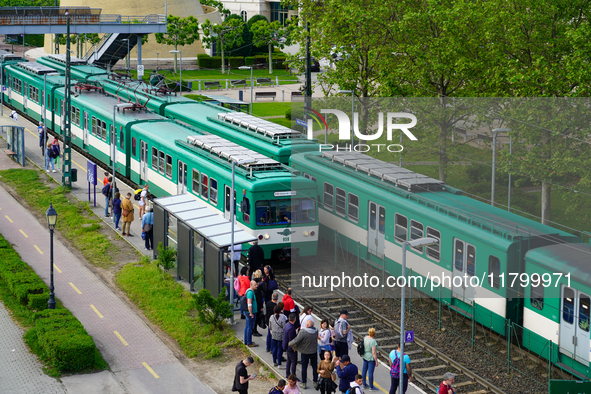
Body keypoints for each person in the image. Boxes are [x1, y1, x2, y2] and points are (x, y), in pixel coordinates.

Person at [288, 319, 318, 390]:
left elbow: (296, 340)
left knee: (304, 368)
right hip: (314, 352)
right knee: (314, 367)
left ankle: (304, 383)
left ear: (307, 325)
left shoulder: (303, 332)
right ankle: (315, 382)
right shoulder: (316, 331)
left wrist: (290, 344)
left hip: (305, 352)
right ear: (313, 325)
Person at [269, 304, 287, 368]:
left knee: (274, 348)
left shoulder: (271, 317)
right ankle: (279, 364)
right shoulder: (282, 318)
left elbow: (270, 326)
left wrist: (271, 331)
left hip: (273, 334)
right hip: (281, 335)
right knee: (280, 349)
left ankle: (274, 362)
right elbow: (284, 327)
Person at [283, 313, 298, 379]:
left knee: (289, 360)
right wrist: (293, 348)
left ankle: (288, 374)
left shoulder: (287, 325)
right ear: (295, 319)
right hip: (290, 347)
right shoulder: (292, 328)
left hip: (286, 345)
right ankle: (293, 376)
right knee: (294, 361)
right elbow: (291, 340)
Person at [244, 280, 258, 347]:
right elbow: (249, 304)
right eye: (255, 285)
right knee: (249, 327)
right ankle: (249, 342)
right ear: (251, 285)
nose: (256, 286)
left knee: (247, 326)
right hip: (250, 313)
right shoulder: (250, 293)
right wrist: (251, 313)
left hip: (248, 312)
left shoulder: (249, 291)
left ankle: (246, 341)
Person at [252, 269, 264, 337]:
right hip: (257, 305)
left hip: (254, 304)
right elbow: (259, 299)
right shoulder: (258, 289)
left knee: (254, 318)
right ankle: (255, 331)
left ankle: (253, 330)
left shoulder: (253, 289)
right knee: (256, 318)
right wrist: (261, 307)